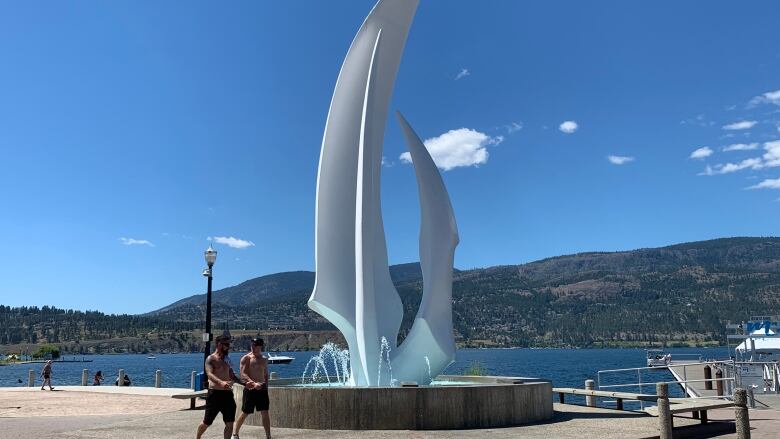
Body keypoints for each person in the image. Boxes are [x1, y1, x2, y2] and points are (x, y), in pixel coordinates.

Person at [196, 335, 239, 439]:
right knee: (207, 422)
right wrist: (221, 383)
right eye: (226, 344)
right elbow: (209, 374)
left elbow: (232, 375)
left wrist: (245, 383)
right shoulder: (211, 359)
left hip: (227, 394)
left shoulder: (227, 359)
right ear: (219, 344)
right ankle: (197, 438)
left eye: (228, 344)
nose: (228, 346)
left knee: (229, 422)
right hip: (214, 394)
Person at [233, 337, 271, 439]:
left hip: (262, 389)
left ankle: (268, 436)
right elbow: (243, 374)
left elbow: (266, 374)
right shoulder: (246, 358)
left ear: (260, 346)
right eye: (252, 345)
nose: (253, 347)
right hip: (250, 389)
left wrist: (266, 386)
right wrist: (254, 384)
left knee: (265, 412)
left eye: (255, 345)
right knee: (245, 412)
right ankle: (235, 433)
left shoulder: (264, 359)